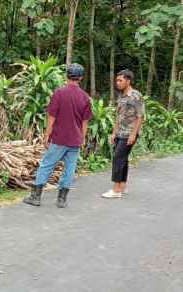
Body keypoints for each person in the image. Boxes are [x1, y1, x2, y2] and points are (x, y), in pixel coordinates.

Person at [23, 63, 93, 209]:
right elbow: (85, 122)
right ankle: (62, 199)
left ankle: (35, 197)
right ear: (80, 78)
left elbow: (52, 116)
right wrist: (82, 138)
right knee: (70, 169)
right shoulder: (85, 97)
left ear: (66, 76)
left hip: (59, 138)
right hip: (75, 140)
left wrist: (46, 135)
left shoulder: (59, 93)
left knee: (47, 165)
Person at [102, 69, 144, 199]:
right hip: (120, 132)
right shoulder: (121, 96)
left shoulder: (135, 95)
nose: (118, 83)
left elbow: (140, 116)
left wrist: (133, 134)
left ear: (128, 81)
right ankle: (122, 186)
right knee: (123, 160)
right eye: (117, 80)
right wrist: (114, 133)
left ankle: (116, 190)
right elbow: (118, 116)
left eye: (120, 80)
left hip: (129, 133)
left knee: (117, 158)